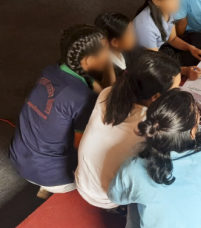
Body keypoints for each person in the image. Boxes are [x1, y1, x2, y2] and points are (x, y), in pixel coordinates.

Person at [108, 89, 201, 228]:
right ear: (193, 132)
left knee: (135, 195)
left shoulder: (133, 168)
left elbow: (115, 198)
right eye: (198, 119)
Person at [9, 25, 110, 196]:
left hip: (18, 158)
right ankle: (51, 189)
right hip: (53, 177)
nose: (109, 55)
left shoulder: (50, 70)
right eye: (105, 51)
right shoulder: (83, 98)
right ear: (87, 60)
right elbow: (81, 147)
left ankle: (43, 188)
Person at [75, 51, 181, 209]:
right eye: (174, 91)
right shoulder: (150, 126)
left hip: (82, 182)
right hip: (107, 197)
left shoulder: (109, 93)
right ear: (156, 97)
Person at [133, 0, 201, 73]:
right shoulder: (146, 27)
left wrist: (192, 49)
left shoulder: (168, 9)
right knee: (176, 66)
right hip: (148, 62)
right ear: (156, 1)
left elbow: (173, 39)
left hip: (160, 50)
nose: (177, 2)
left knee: (199, 39)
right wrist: (184, 71)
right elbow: (153, 64)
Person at [93, 12, 145, 84]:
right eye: (130, 34)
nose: (135, 36)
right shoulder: (103, 69)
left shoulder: (129, 51)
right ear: (115, 42)